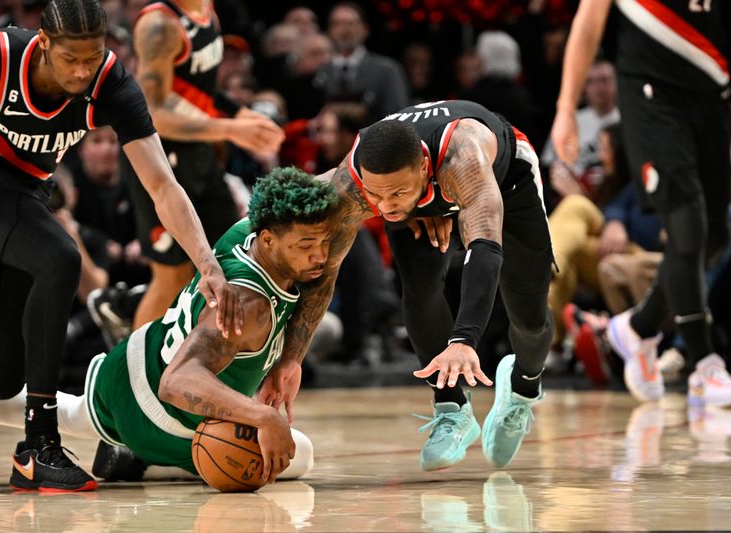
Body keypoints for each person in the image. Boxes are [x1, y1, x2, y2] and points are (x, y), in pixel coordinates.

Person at [0, 0, 241, 492]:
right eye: (70, 59)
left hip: (23, 193)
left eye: (91, 58)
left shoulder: (113, 84)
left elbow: (163, 185)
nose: (81, 71)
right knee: (59, 256)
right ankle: (38, 445)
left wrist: (206, 263)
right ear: (44, 45)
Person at [0, 167, 334, 484]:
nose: (319, 256)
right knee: (296, 453)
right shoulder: (250, 306)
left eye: (324, 243)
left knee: (72, 414)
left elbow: (332, 184)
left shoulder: (246, 229)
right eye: (305, 246)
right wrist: (263, 418)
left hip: (128, 364)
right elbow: (178, 384)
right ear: (268, 241)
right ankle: (141, 459)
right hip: (163, 416)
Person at [261, 100, 554, 471]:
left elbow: (485, 251)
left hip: (506, 182)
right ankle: (452, 408)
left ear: (422, 167)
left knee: (529, 316)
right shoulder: (353, 183)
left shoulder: (463, 159)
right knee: (418, 285)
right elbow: (325, 274)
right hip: (422, 191)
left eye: (395, 194)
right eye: (376, 195)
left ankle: (524, 385)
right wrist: (291, 358)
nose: (384, 208)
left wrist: (464, 339)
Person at [551, 0, 731, 406]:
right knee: (687, 225)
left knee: (715, 238)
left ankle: (638, 326)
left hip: (711, 91)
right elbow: (588, 21)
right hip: (652, 93)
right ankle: (703, 362)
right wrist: (566, 108)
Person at [121, 0, 285, 329]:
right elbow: (153, 109)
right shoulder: (160, 24)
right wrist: (230, 129)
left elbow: (199, 90)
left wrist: (236, 112)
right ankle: (128, 368)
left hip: (199, 152)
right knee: (172, 276)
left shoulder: (207, 9)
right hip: (156, 154)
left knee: (232, 252)